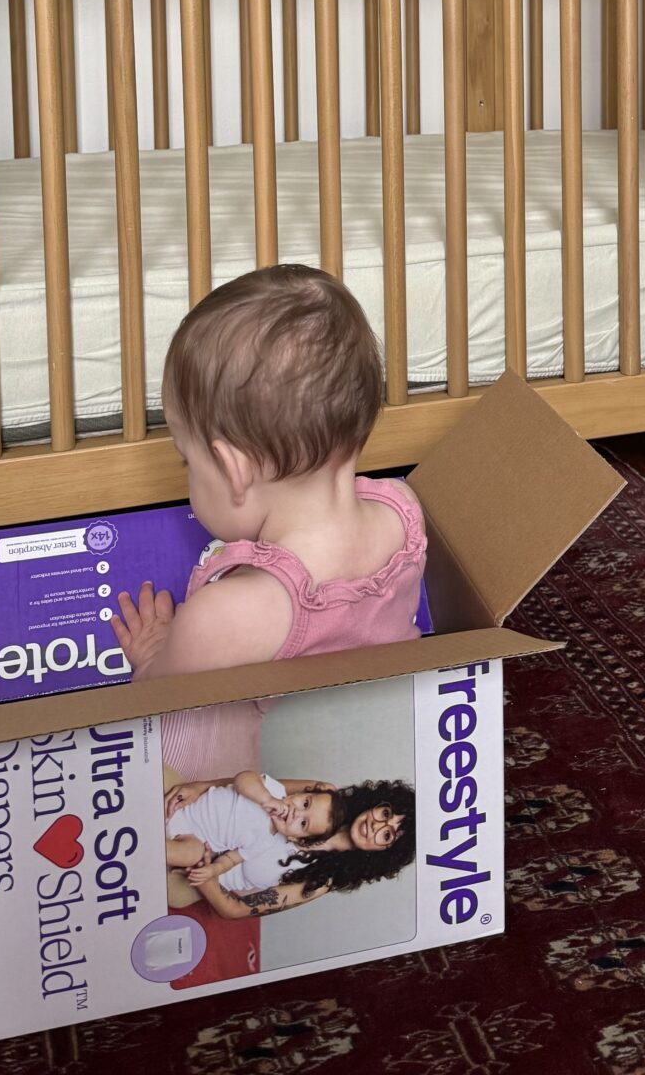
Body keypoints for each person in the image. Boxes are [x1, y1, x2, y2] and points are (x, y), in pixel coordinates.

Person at [112, 266, 426, 678]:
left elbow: (155, 708)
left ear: (234, 470)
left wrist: (152, 656)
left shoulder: (222, 616)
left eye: (186, 460)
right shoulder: (402, 511)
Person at [169, 773, 417, 921]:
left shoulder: (320, 880)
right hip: (199, 813)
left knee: (164, 879)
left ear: (383, 852)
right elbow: (256, 784)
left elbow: (234, 910)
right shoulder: (324, 793)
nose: (376, 825)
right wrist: (200, 786)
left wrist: (206, 875)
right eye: (385, 813)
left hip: (197, 878)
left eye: (387, 834)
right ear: (376, 802)